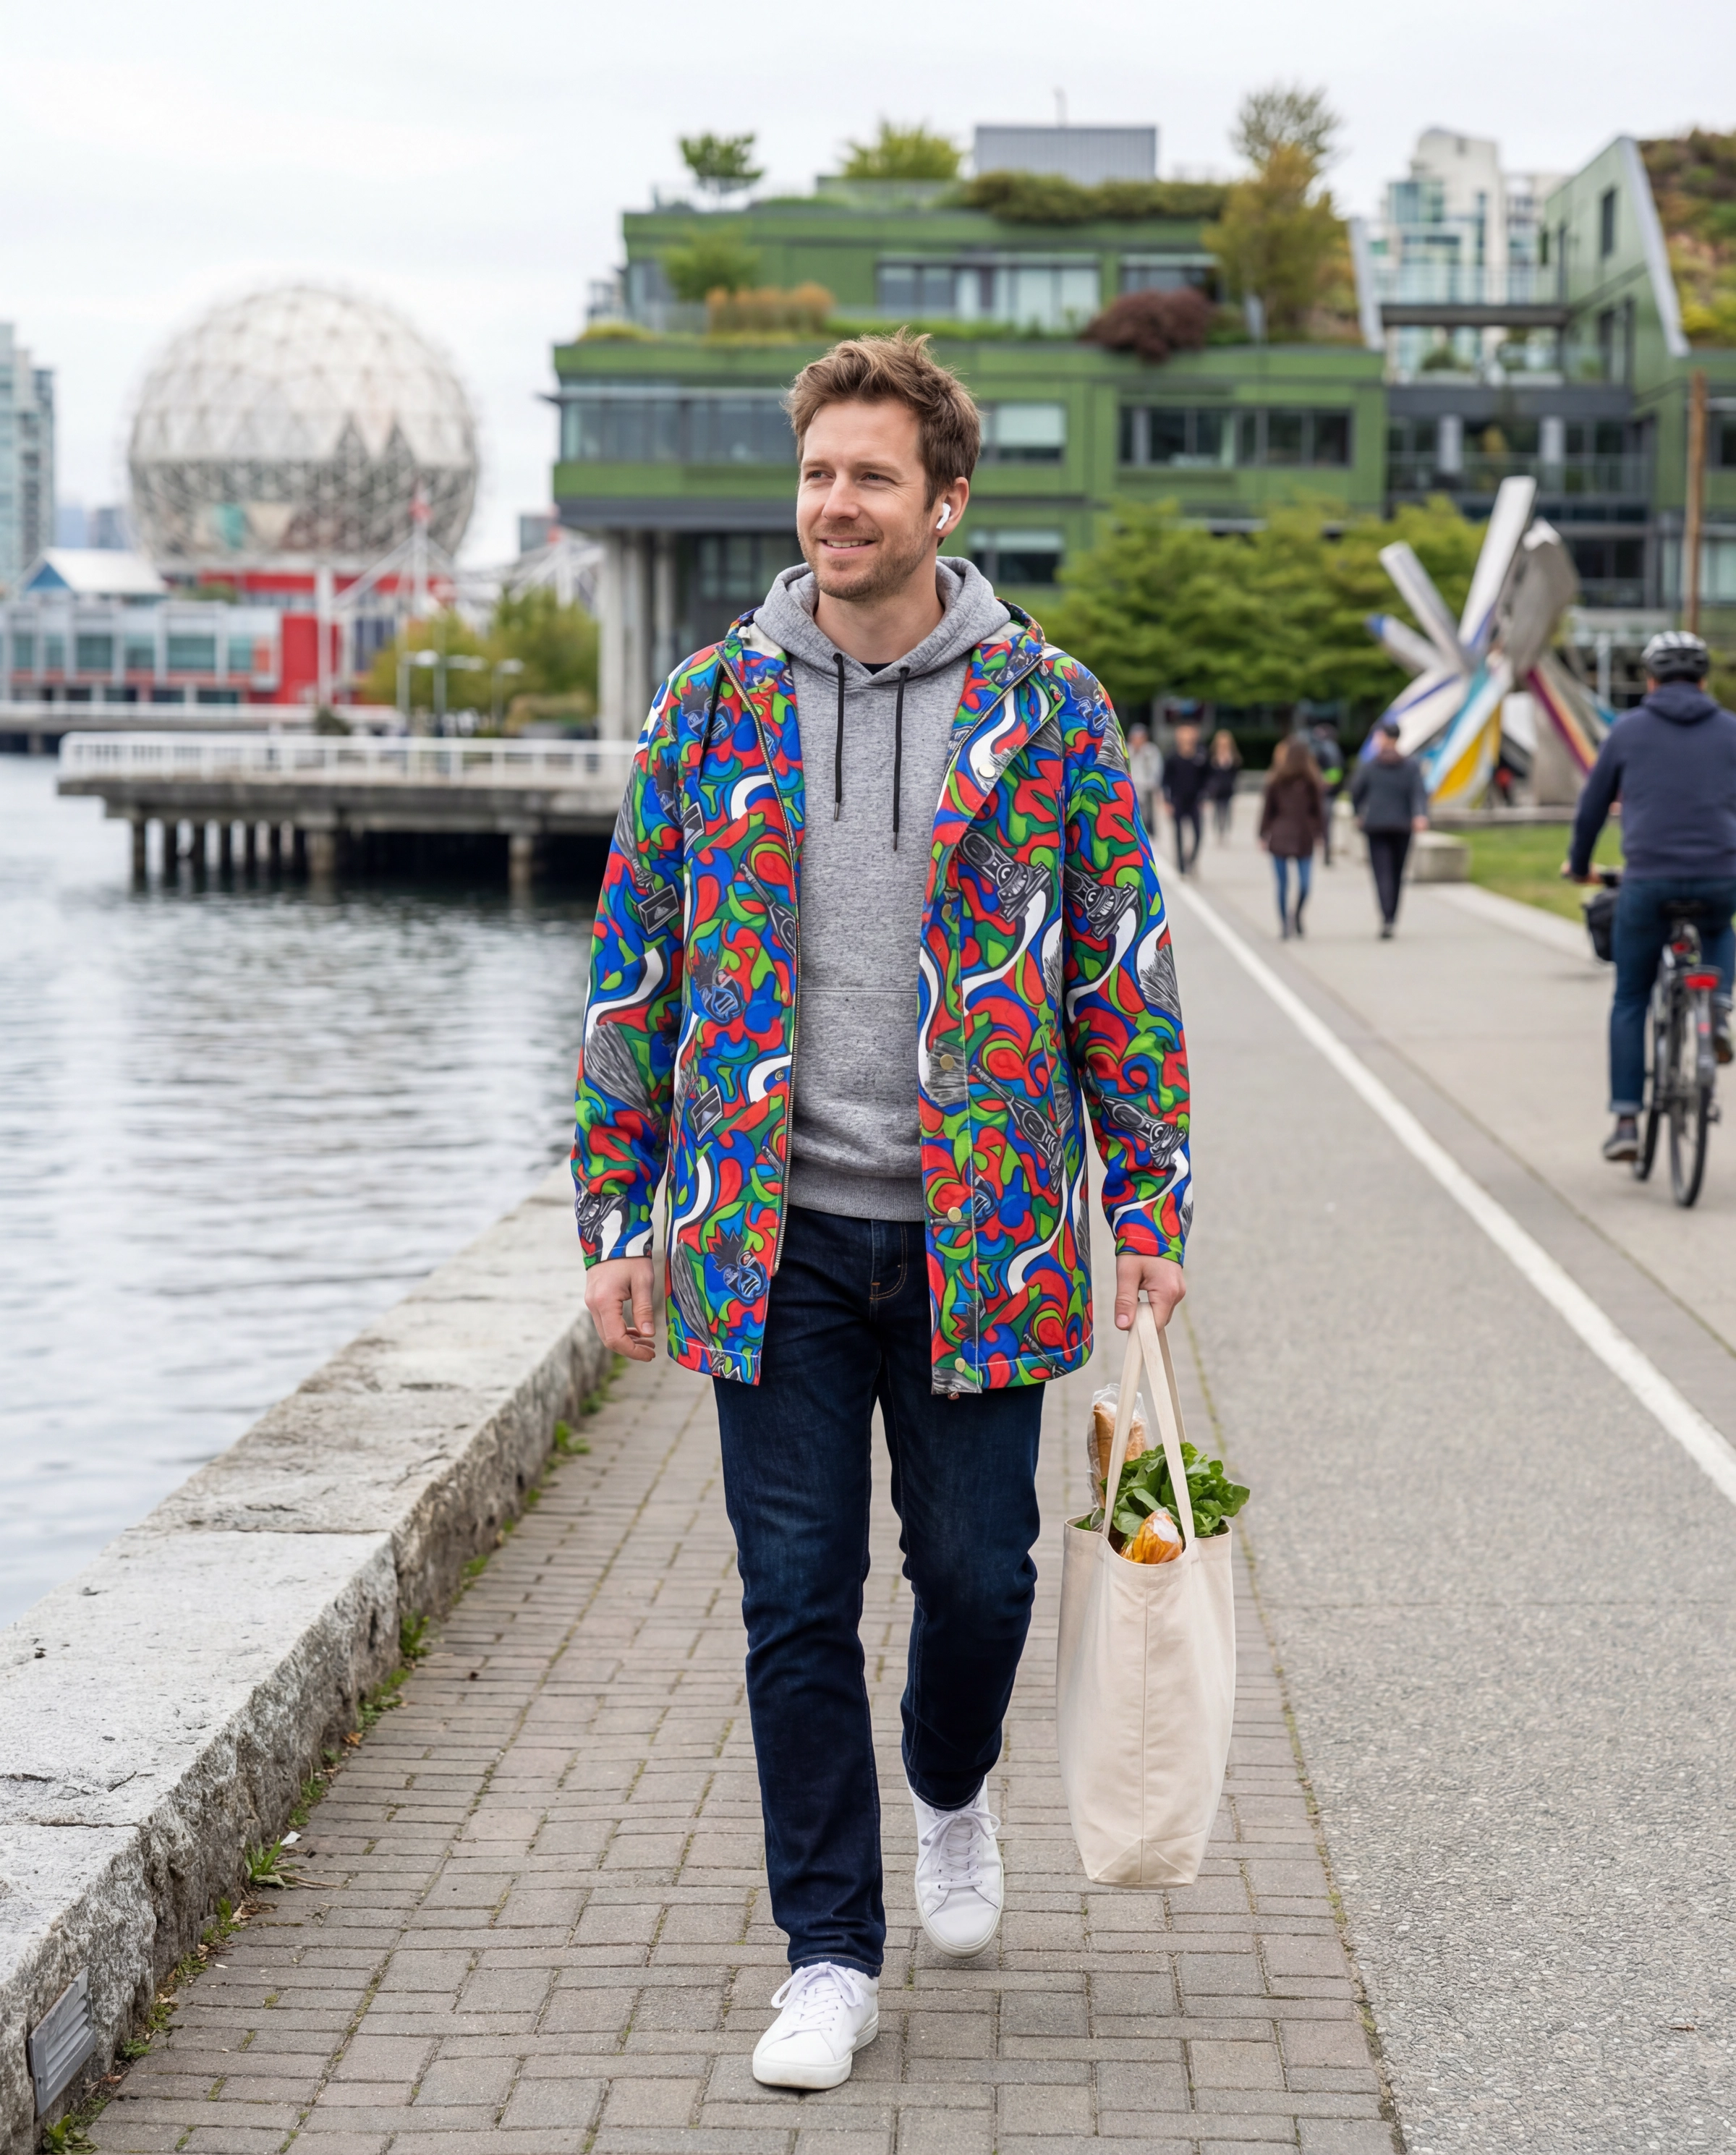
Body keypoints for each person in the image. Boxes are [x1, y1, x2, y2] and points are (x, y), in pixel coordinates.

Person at [571, 332, 1191, 2093]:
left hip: (982, 1233)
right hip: (766, 1234)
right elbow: (635, 971)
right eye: (816, 474)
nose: (832, 505)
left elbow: (1120, 976)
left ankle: (947, 1781)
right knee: (791, 1597)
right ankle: (827, 1949)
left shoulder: (1048, 708)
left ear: (944, 500)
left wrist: (1145, 1193)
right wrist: (613, 1213)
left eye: (868, 477)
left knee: (979, 1581)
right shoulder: (708, 707)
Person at [1564, 629, 1736, 1164]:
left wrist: (1579, 863)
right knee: (1716, 927)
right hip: (1718, 874)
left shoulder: (1627, 731)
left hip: (1649, 877)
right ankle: (1721, 1005)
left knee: (1632, 996)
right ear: (1704, 681)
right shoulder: (1732, 730)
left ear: (1651, 680)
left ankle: (1626, 1121)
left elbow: (1592, 807)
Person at [1351, 718, 1429, 938]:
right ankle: (1392, 915)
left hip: (1376, 825)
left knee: (1381, 872)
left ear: (1384, 737)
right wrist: (1420, 815)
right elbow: (1418, 792)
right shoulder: (1411, 765)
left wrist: (1359, 813)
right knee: (1397, 872)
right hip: (1402, 825)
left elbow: (1356, 792)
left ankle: (1386, 916)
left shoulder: (1370, 765)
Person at [1259, 735, 1327, 938]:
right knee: (1282, 884)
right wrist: (1263, 833)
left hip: (1303, 836)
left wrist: (1320, 833)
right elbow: (1268, 810)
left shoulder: (1311, 782)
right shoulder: (1277, 781)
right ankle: (1284, 923)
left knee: (1304, 884)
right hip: (1281, 835)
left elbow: (1318, 811)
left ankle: (1295, 914)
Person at [1160, 718, 1209, 873]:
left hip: (1195, 800)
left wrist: (1205, 796)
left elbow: (1207, 778)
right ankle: (1181, 865)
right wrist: (1167, 801)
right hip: (1178, 800)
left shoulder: (1200, 755)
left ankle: (1191, 859)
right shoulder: (1172, 756)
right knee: (1178, 833)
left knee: (1198, 834)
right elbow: (1165, 780)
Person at [1309, 718, 1347, 865]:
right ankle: (1324, 853)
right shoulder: (1331, 748)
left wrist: (1323, 782)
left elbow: (1334, 773)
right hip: (1327, 793)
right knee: (1325, 825)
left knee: (1323, 824)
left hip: (1325, 794)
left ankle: (1323, 853)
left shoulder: (1326, 748)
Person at [1127, 721, 1163, 841]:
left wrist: (1153, 785)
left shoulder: (1151, 751)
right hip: (1131, 787)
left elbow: (1156, 770)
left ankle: (1151, 835)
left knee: (1148, 815)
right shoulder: (1127, 750)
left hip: (1147, 787)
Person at [1205, 728, 1241, 840]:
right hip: (1216, 789)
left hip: (1228, 788)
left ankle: (1225, 831)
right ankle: (1218, 831)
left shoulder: (1233, 757)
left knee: (1227, 810)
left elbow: (1236, 771)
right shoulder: (1212, 756)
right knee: (1216, 810)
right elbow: (1209, 773)